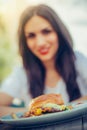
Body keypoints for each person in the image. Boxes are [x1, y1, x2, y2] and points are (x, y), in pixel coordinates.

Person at [0, 4, 87, 117]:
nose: (40, 43)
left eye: (46, 31)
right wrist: (36, 110)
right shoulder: (21, 73)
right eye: (31, 36)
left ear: (58, 32)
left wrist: (57, 108)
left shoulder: (78, 61)